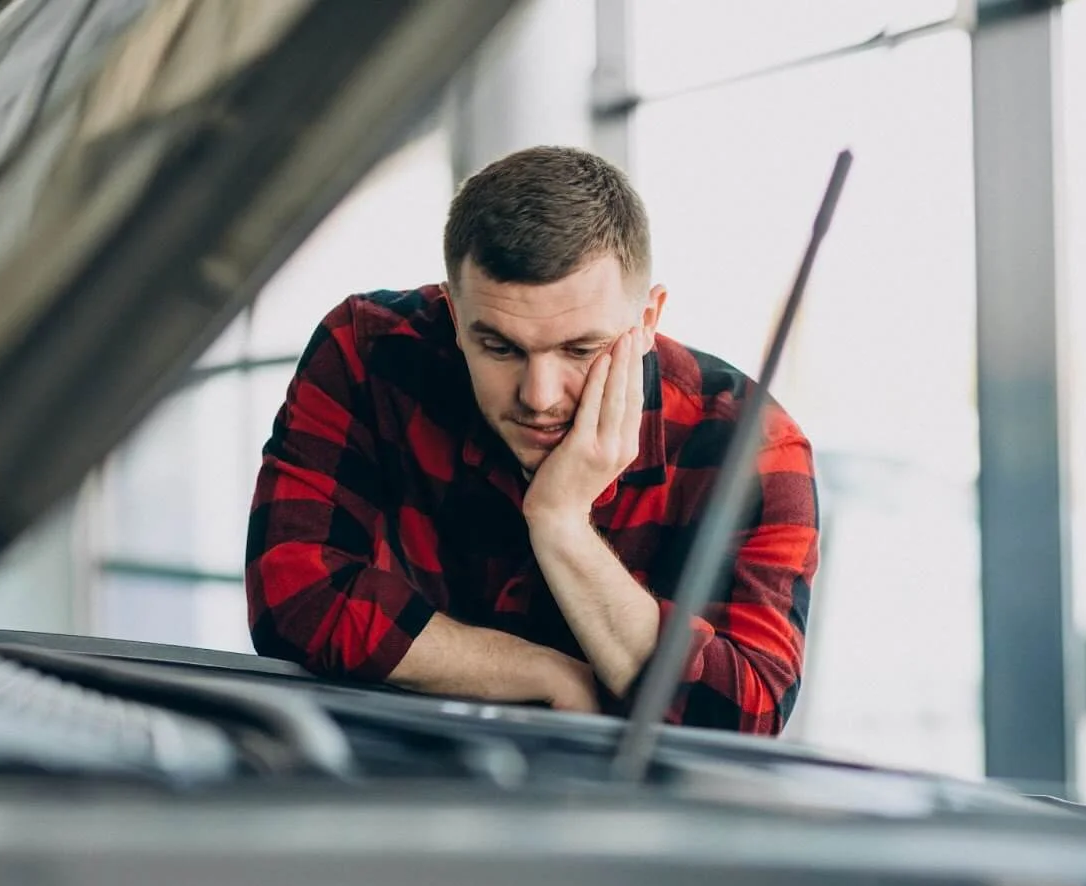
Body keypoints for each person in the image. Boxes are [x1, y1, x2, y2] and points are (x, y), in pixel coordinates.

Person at [245, 146, 818, 735]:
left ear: (649, 319)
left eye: (579, 350)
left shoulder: (753, 445)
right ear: (453, 311)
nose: (539, 395)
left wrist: (562, 522)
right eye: (499, 347)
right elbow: (296, 600)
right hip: (395, 787)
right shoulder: (367, 352)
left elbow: (744, 715)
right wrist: (545, 674)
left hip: (636, 816)